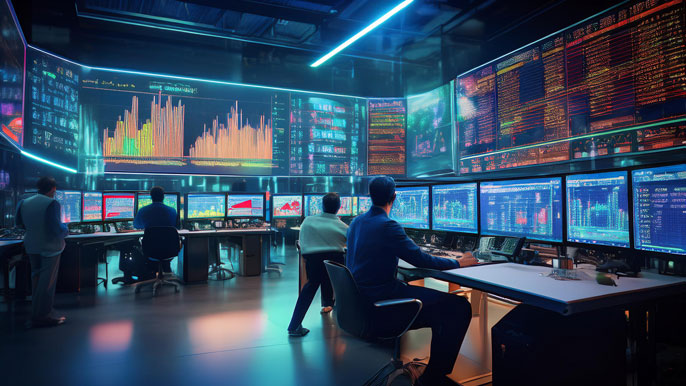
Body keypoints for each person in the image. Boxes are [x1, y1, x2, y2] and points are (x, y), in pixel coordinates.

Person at [346, 176, 478, 386]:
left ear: (371, 197)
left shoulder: (356, 222)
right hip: (381, 305)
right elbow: (419, 258)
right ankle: (433, 378)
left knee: (435, 299)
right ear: (394, 197)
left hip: (361, 303)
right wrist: (458, 263)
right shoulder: (388, 226)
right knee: (458, 307)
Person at [287, 192, 348, 337]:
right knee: (340, 286)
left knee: (310, 288)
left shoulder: (308, 221)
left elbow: (303, 242)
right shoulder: (343, 226)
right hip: (335, 263)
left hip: (313, 262)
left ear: (322, 205)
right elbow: (350, 243)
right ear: (339, 208)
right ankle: (346, 322)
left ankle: (294, 326)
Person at [15, 177, 68, 327]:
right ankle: (45, 315)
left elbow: (18, 224)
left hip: (31, 246)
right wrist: (66, 229)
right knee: (47, 282)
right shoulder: (52, 203)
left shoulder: (24, 202)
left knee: (36, 279)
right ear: (52, 189)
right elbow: (56, 229)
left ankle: (37, 312)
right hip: (50, 247)